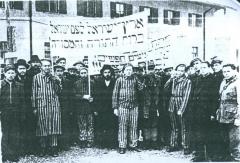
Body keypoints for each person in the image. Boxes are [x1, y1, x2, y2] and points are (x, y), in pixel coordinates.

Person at [32, 59, 62, 157]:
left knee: (54, 126)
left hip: (54, 105)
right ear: (41, 67)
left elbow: (59, 91)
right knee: (42, 127)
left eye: (49, 66)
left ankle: (54, 148)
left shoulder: (54, 77)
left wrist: (57, 82)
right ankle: (43, 148)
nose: (47, 68)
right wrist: (34, 107)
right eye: (45, 66)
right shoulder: (36, 77)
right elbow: (34, 93)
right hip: (42, 105)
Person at [112, 63, 144, 154]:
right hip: (122, 106)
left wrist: (139, 80)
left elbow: (141, 89)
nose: (129, 71)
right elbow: (115, 94)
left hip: (134, 106)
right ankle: (122, 146)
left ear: (132, 71)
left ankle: (133, 144)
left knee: (134, 126)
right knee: (122, 126)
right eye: (127, 70)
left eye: (130, 70)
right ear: (123, 71)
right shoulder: (119, 80)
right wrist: (115, 107)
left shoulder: (135, 79)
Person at [0, 64, 25, 162]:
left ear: (15, 74)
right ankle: (5, 154)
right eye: (8, 73)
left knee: (15, 133)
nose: (10, 75)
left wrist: (22, 114)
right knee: (6, 133)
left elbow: (22, 101)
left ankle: (14, 155)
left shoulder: (19, 86)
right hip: (5, 112)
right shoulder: (1, 85)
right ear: (4, 74)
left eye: (12, 73)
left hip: (16, 112)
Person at [164, 64, 191, 154]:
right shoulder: (174, 79)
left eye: (182, 71)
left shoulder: (187, 81)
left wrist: (181, 109)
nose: (179, 72)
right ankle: (173, 144)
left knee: (184, 127)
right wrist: (171, 78)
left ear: (185, 72)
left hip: (181, 104)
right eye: (178, 70)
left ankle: (185, 146)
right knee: (174, 126)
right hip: (172, 104)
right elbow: (165, 88)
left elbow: (186, 97)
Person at [190, 61, 214, 162]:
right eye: (201, 68)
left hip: (207, 111)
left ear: (209, 68)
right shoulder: (198, 79)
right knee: (198, 133)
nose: (202, 70)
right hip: (197, 110)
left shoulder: (212, 79)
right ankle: (199, 155)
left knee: (208, 134)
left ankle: (209, 156)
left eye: (204, 67)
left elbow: (214, 98)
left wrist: (212, 113)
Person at [216, 64, 240, 161]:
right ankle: (227, 157)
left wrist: (238, 117)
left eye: (228, 71)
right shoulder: (224, 82)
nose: (226, 74)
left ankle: (236, 158)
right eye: (224, 72)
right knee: (225, 137)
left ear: (234, 71)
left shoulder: (237, 83)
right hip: (223, 114)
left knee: (235, 139)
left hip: (233, 115)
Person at [93, 64, 118, 149]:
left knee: (112, 125)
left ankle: (112, 143)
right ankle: (102, 143)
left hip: (111, 108)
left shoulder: (115, 82)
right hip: (101, 108)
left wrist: (116, 107)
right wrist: (95, 109)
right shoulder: (98, 82)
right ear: (102, 73)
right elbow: (95, 97)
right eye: (105, 72)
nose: (107, 74)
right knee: (101, 125)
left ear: (111, 73)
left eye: (108, 72)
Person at [73, 67, 94, 148]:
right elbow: (74, 95)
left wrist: (93, 98)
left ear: (87, 73)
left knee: (90, 124)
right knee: (82, 125)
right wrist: (83, 96)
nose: (83, 75)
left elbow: (96, 94)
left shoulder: (92, 83)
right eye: (82, 73)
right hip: (80, 108)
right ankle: (82, 140)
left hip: (89, 107)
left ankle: (90, 140)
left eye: (85, 73)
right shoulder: (76, 83)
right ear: (79, 74)